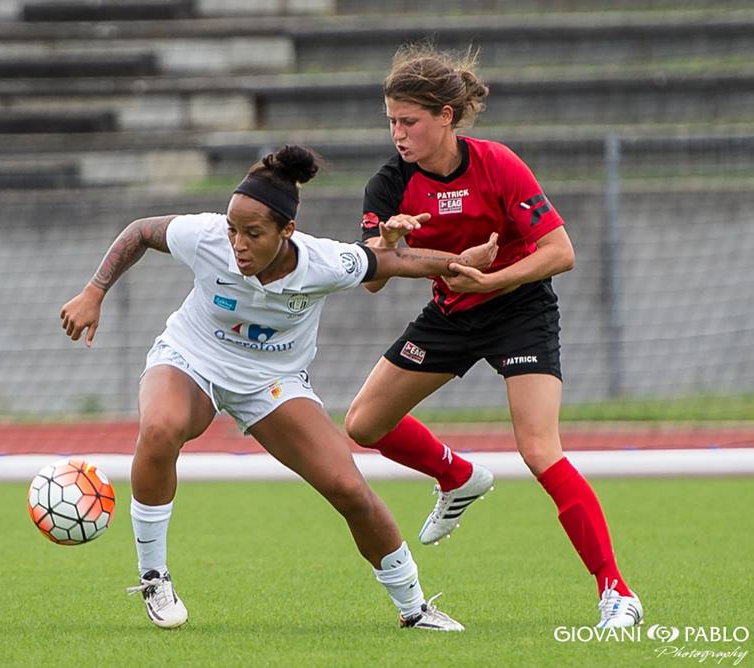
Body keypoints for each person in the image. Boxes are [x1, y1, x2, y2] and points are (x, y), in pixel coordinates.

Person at [59, 145, 499, 631]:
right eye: (232, 230)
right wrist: (94, 291)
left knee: (349, 489)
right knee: (160, 429)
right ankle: (153, 576)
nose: (237, 244)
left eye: (252, 233)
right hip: (192, 357)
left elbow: (394, 263)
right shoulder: (205, 237)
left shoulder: (325, 263)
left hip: (272, 381)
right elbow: (140, 231)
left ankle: (414, 609)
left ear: (287, 231)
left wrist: (459, 262)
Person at [343, 45, 643, 629]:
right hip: (451, 313)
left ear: (446, 117)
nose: (398, 134)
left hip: (519, 310)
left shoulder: (497, 163)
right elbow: (373, 284)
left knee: (538, 449)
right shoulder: (388, 183)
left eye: (410, 121)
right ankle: (457, 475)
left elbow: (561, 252)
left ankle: (616, 592)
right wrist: (390, 245)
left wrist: (491, 277)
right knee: (363, 425)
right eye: (391, 122)